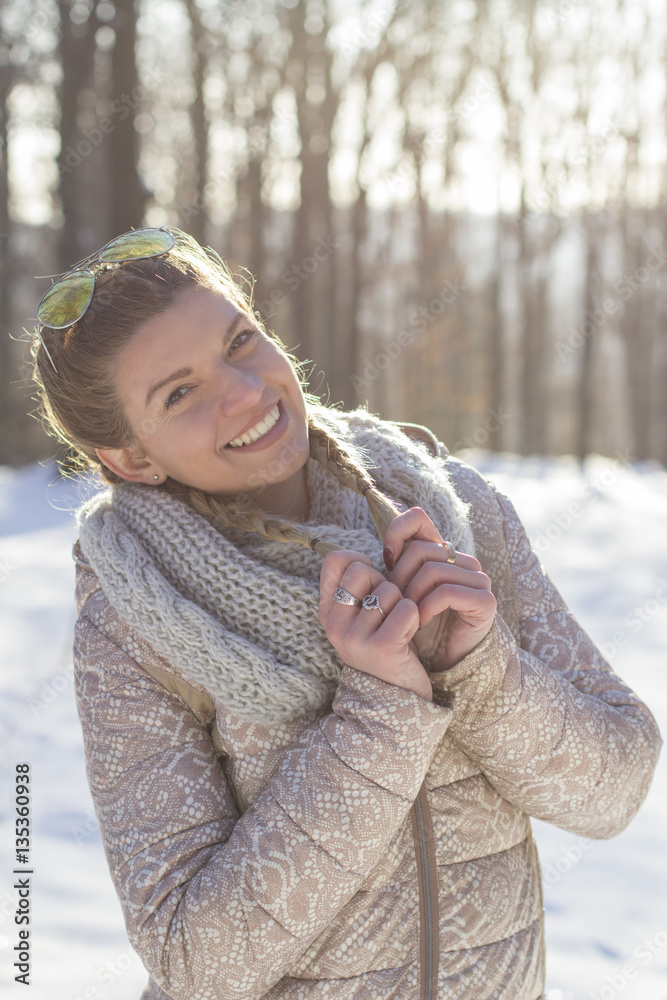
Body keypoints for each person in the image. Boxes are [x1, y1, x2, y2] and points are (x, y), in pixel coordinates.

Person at [31, 226, 661, 1000]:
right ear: (131, 459)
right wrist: (381, 715)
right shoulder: (137, 617)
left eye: (239, 342)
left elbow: (615, 790)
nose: (246, 391)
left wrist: (483, 672)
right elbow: (193, 960)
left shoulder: (445, 508)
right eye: (180, 392)